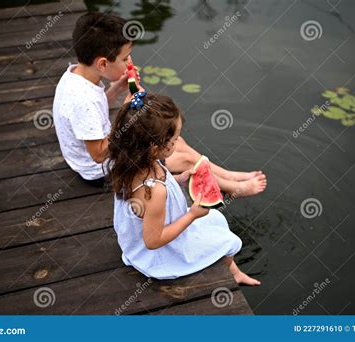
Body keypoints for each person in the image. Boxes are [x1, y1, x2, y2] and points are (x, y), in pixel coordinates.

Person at [53, 12, 267, 195]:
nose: (129, 63)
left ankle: (227, 175)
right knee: (181, 157)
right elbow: (99, 154)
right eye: (125, 58)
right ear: (102, 63)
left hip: (92, 158)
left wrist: (117, 88)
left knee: (176, 141)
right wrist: (129, 113)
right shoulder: (82, 100)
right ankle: (232, 188)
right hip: (99, 173)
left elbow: (99, 107)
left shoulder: (78, 75)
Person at [108, 92, 261, 285]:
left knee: (216, 219)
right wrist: (192, 216)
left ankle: (233, 270)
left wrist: (179, 179)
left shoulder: (132, 162)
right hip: (157, 256)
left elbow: (155, 194)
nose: (178, 142)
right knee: (228, 241)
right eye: (174, 140)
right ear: (155, 148)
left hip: (141, 237)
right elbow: (153, 241)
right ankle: (235, 273)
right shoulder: (154, 191)